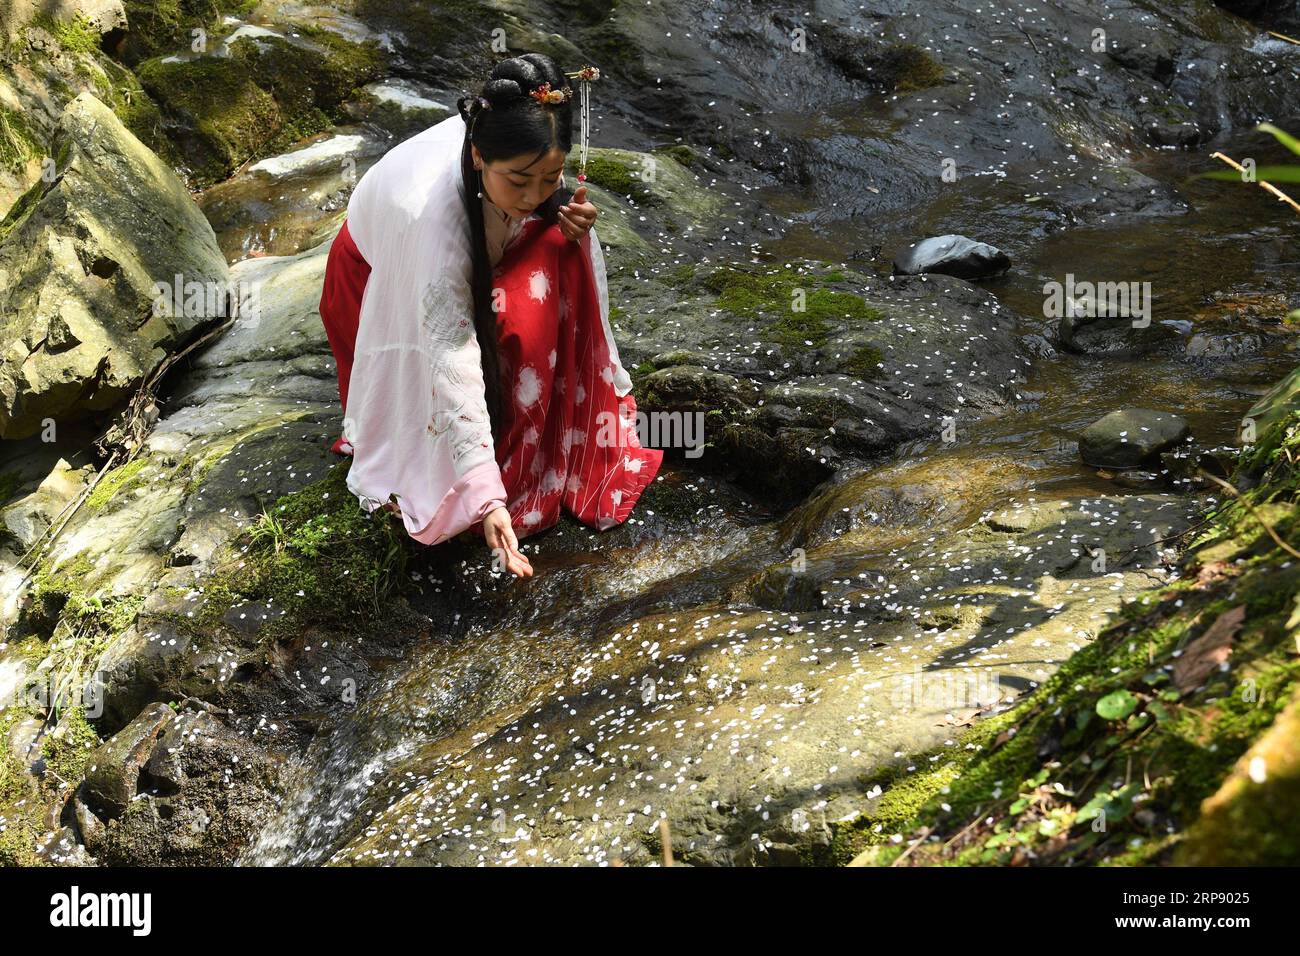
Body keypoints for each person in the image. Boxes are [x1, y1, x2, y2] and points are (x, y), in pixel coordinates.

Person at [318, 53, 663, 578]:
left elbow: (537, 196)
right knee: (489, 348)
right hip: (374, 285)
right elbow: (449, 358)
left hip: (480, 244)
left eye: (550, 177)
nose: (534, 196)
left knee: (561, 248)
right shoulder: (433, 224)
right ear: (478, 156)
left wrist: (567, 215)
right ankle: (499, 459)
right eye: (519, 181)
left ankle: (544, 439)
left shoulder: (515, 147)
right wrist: (485, 497)